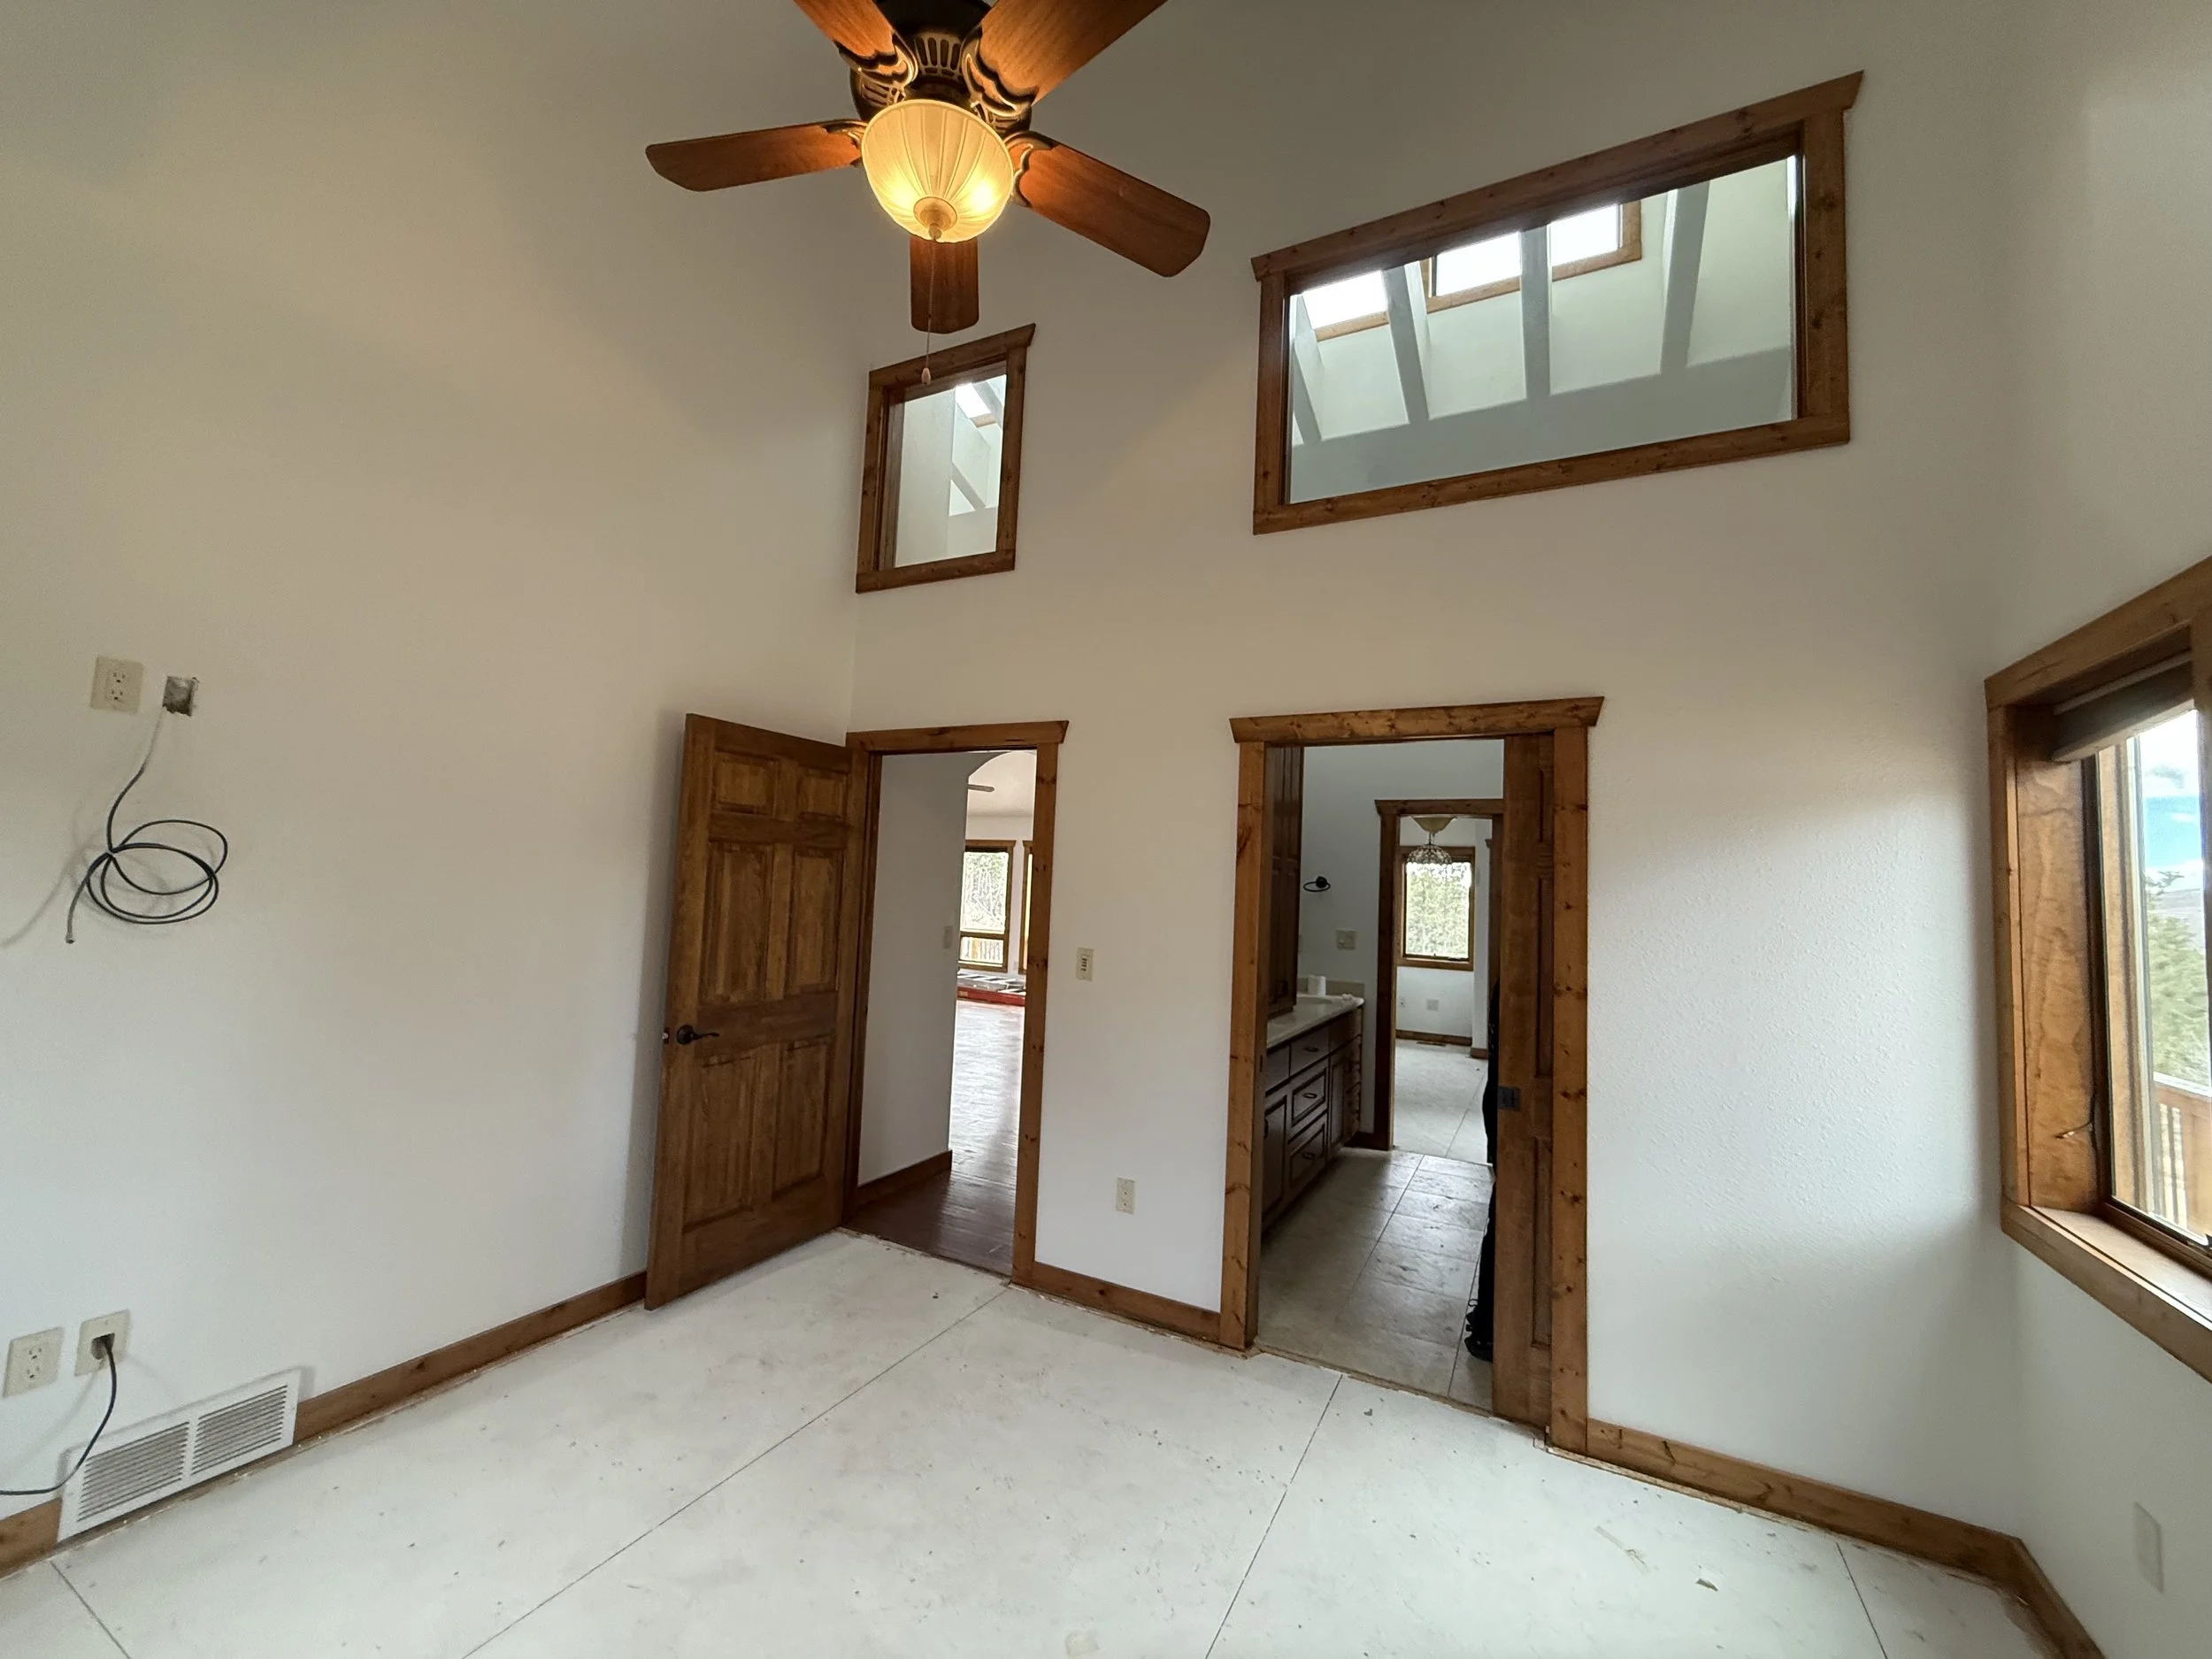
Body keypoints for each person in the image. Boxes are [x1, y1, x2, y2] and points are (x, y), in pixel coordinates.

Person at [1463, 981, 1499, 1362]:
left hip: (1499, 1105)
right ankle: (1489, 1326)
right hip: (1503, 1107)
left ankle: (1489, 1322)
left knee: (1500, 1224)